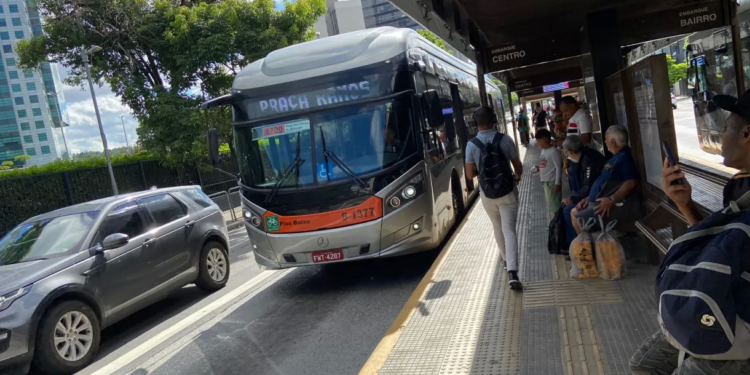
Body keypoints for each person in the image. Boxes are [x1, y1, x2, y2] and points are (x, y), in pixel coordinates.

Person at [629, 91, 750, 375]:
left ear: (747, 134)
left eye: (725, 128)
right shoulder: (739, 186)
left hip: (738, 323)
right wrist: (685, 203)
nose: (721, 137)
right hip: (724, 304)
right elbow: (725, 246)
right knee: (643, 364)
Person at [465, 106, 523, 290]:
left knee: (497, 228)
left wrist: (482, 172)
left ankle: (506, 261)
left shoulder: (471, 144)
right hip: (507, 191)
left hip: (487, 194)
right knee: (509, 230)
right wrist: (517, 178)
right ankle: (513, 272)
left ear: (476, 124)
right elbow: (517, 165)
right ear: (494, 120)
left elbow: (468, 174)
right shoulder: (505, 139)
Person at [569, 125, 641, 234]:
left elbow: (631, 182)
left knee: (576, 218)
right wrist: (589, 197)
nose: (605, 142)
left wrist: (612, 200)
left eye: (606, 139)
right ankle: (587, 247)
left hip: (608, 205)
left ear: (613, 142)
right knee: (573, 213)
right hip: (596, 200)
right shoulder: (616, 156)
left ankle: (587, 249)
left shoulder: (624, 157)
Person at [560, 136, 606, 244]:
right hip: (594, 194)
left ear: (570, 152)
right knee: (567, 208)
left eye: (566, 152)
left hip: (600, 196)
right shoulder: (586, 156)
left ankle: (577, 244)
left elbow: (588, 185)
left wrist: (573, 199)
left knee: (568, 210)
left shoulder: (588, 159)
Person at [535, 129, 562, 220]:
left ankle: (558, 223)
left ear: (543, 140)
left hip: (552, 182)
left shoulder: (553, 151)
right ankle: (555, 222)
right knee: (551, 204)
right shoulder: (544, 150)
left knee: (555, 205)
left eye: (538, 141)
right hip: (546, 181)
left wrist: (557, 183)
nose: (538, 144)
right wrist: (539, 168)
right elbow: (545, 162)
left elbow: (559, 167)